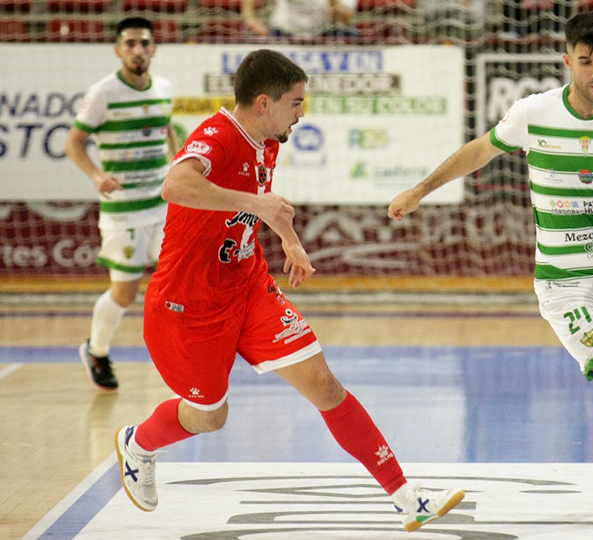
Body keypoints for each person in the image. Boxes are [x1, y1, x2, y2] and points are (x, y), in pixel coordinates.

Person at [113, 49, 464, 532]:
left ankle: (406, 497)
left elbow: (264, 209)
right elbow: (175, 185)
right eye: (296, 103)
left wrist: (290, 243)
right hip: (187, 304)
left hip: (248, 285)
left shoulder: (269, 139)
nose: (302, 113)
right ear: (263, 102)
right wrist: (254, 202)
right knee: (210, 417)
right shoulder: (216, 137)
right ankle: (138, 443)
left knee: (323, 383)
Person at [388, 11, 593, 515]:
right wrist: (422, 189)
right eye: (584, 62)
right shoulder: (534, 112)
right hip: (565, 283)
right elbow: (479, 151)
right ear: (567, 61)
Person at [66, 16, 177, 391]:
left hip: (162, 205)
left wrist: (179, 171)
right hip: (123, 209)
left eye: (144, 43)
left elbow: (167, 132)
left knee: (178, 280)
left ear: (153, 49)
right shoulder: (103, 93)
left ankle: (182, 359)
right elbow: (74, 143)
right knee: (125, 292)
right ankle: (96, 349)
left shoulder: (164, 88)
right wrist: (97, 176)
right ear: (118, 50)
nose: (138, 50)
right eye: (130, 43)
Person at [241, 0, 360, 39]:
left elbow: (346, 19)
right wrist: (250, 18)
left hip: (323, 32)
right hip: (283, 31)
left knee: (355, 36)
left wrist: (332, 2)